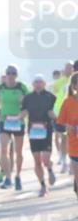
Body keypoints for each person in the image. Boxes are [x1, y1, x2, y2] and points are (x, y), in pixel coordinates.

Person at [0, 65, 29, 190]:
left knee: (18, 152)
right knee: (3, 150)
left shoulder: (22, 87)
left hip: (18, 121)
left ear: (16, 75)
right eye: (8, 73)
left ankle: (18, 176)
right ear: (6, 75)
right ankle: (8, 178)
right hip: (4, 120)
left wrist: (23, 102)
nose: (11, 76)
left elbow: (29, 103)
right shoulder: (1, 87)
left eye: (13, 73)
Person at [21, 74, 58, 196]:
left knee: (45, 159)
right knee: (37, 161)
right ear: (33, 84)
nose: (38, 84)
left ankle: (49, 168)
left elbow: (55, 112)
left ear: (44, 84)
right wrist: (18, 117)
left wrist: (55, 117)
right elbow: (24, 111)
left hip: (46, 129)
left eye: (40, 82)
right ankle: (43, 186)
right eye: (36, 82)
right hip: (33, 131)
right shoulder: (27, 98)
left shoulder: (51, 97)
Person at [55, 71, 78, 200]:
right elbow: (59, 126)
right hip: (75, 148)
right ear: (74, 86)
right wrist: (67, 127)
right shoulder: (67, 103)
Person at [52, 62, 74, 169]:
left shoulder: (75, 79)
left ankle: (72, 161)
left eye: (70, 68)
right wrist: (57, 114)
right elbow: (57, 100)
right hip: (64, 115)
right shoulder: (59, 84)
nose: (68, 70)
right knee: (64, 138)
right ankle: (64, 161)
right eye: (67, 68)